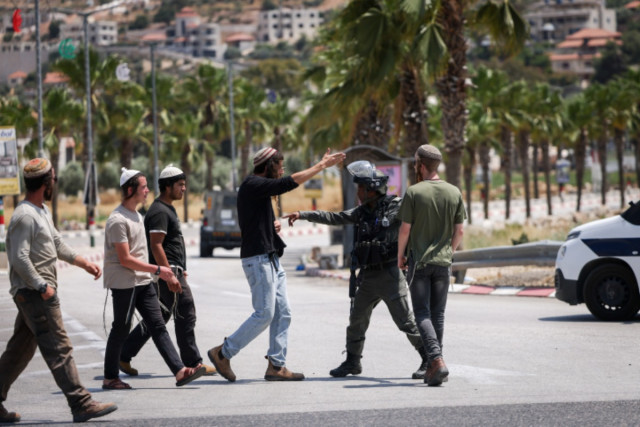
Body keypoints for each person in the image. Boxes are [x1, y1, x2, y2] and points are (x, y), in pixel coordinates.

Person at [208, 147, 345, 382]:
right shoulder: (252, 183)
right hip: (258, 259)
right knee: (264, 314)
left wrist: (273, 224)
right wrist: (321, 166)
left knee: (283, 312)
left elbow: (259, 218)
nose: (282, 170)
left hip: (270, 258)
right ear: (268, 165)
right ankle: (223, 352)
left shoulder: (259, 190)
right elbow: (286, 184)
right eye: (279, 166)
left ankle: (276, 365)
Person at [283, 160, 428, 379]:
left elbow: (416, 222)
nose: (358, 191)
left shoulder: (396, 206)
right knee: (356, 321)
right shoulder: (362, 213)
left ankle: (429, 359)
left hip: (390, 274)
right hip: (368, 276)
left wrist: (411, 255)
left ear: (373, 189)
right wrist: (303, 214)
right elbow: (335, 217)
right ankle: (352, 362)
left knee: (405, 322)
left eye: (361, 187)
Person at [0, 158, 117, 423]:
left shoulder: (40, 211)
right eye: (53, 179)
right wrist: (43, 287)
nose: (55, 182)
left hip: (34, 293)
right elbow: (19, 258)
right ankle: (81, 403)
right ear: (45, 183)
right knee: (59, 347)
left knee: (19, 351)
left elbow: (57, 243)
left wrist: (83, 262)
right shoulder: (25, 216)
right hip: (35, 293)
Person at [102, 168, 205, 390]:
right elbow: (125, 259)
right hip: (125, 283)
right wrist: (161, 270)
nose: (148, 190)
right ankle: (110, 377)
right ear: (131, 190)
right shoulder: (118, 220)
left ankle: (179, 371)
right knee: (121, 327)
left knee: (158, 325)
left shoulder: (138, 216)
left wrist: (158, 271)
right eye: (143, 187)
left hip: (143, 281)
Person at [397, 145, 466, 386]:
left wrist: (400, 257)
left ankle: (435, 360)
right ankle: (434, 366)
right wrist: (449, 251)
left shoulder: (414, 192)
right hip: (443, 263)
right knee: (438, 315)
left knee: (422, 313)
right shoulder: (454, 191)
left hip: (420, 262)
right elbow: (460, 231)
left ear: (421, 165)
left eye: (416, 162)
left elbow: (405, 229)